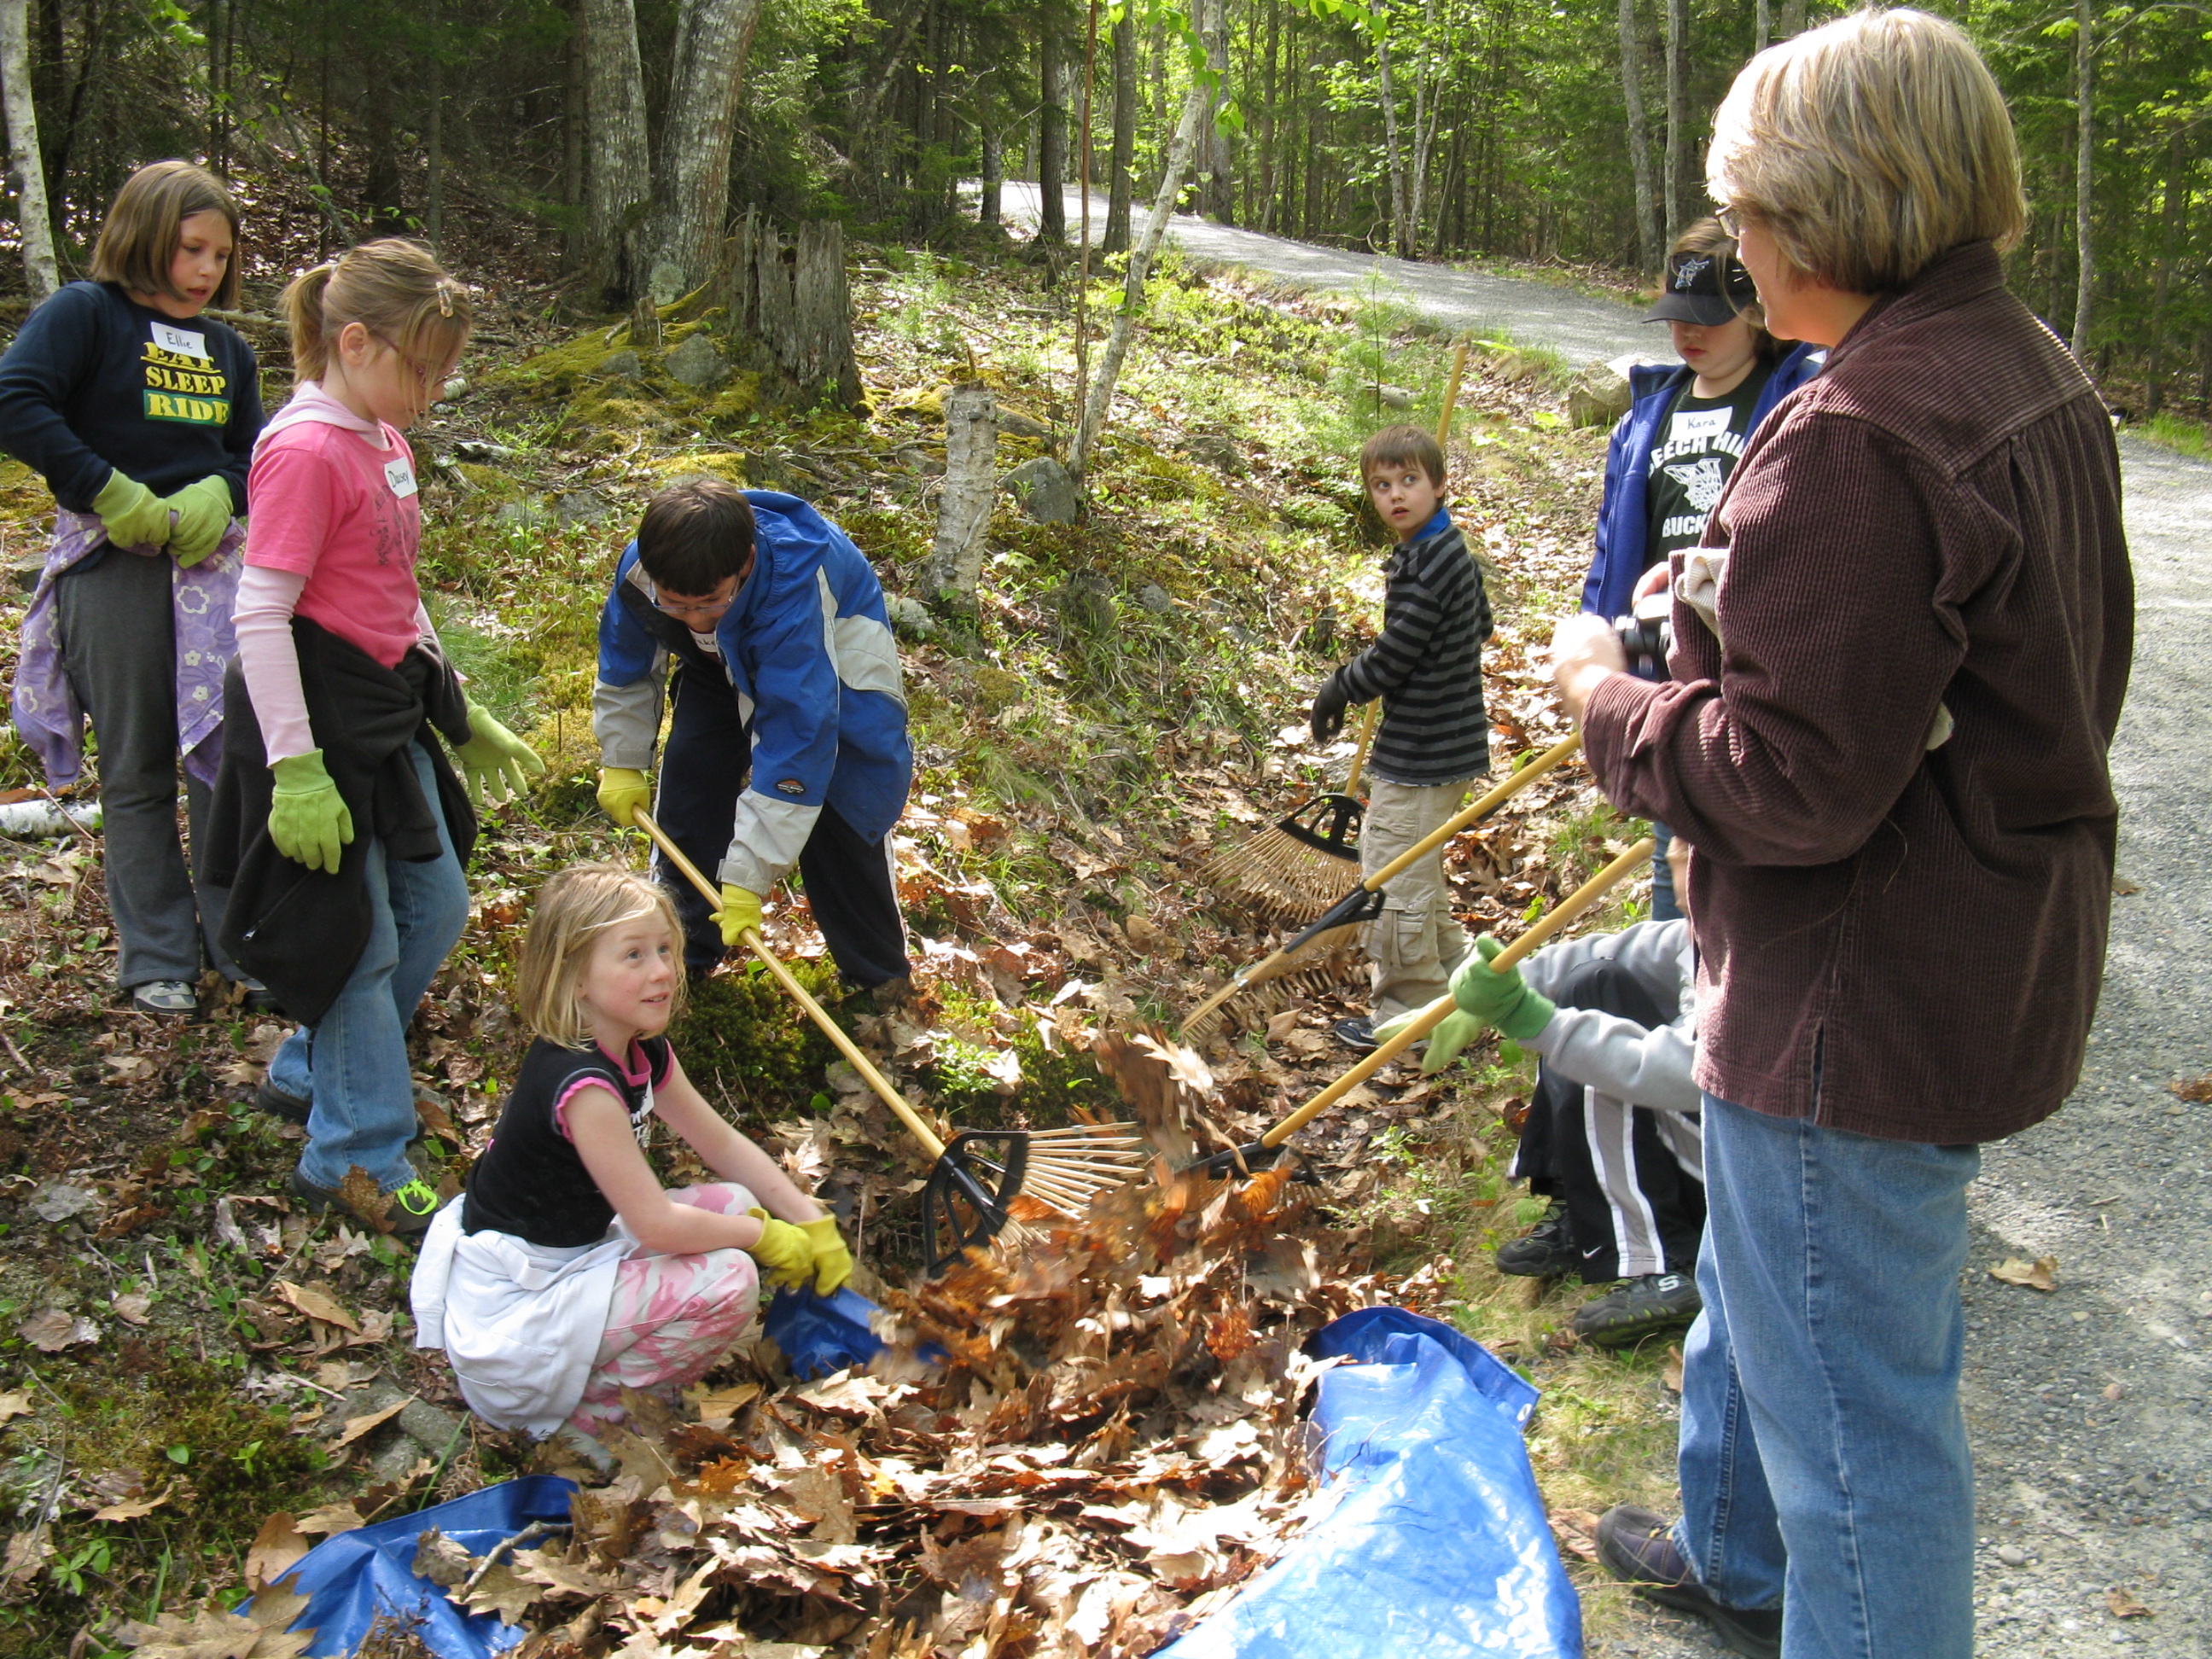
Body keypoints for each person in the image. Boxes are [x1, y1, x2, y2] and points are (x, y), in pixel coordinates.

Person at [1548, 12, 2133, 1658]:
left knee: (1861, 1421)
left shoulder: (1867, 426)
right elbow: (1953, 653)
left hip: (1855, 1006)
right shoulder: (2019, 367)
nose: (1729, 254)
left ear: (1832, 207)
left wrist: (1602, 691)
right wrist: (1721, 591)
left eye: (1743, 216)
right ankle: (1738, 1554)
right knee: (1764, 1281)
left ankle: (1824, 1591)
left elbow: (1787, 780)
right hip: (1954, 951)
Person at [208, 239, 544, 1236]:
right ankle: (355, 1151)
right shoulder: (307, 449)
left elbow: (396, 593)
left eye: (445, 373)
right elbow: (261, 614)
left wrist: (459, 703)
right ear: (355, 344)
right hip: (317, 725)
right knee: (358, 940)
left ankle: (316, 1066)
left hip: (385, 712)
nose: (434, 392)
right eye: (422, 369)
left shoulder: (383, 441)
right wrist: (295, 769)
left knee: (434, 905)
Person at [410, 863, 851, 1467]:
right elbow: (656, 1226)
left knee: (733, 1203)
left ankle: (614, 1381)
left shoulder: (639, 1051)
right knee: (731, 1280)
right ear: (576, 977)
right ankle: (587, 1417)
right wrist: (767, 1237)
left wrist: (807, 1217)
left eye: (666, 949)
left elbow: (718, 1141)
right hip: (520, 1311)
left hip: (578, 1260)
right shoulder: (582, 1086)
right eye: (634, 955)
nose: (664, 971)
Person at [0, 160, 264, 1016]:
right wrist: (106, 488)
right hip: (110, 568)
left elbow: (255, 457)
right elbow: (16, 399)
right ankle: (158, 957)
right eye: (190, 249)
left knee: (224, 765)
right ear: (145, 237)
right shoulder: (86, 314)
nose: (205, 271)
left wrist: (219, 495)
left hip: (214, 575)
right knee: (137, 765)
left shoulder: (230, 350)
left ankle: (242, 945)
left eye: (220, 257)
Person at [1583, 218, 1826, 921]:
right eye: (1676, 318)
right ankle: (1682, 992)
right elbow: (1613, 543)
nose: (1689, 335)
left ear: (1757, 314)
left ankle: (1719, 993)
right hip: (1668, 664)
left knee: (1734, 853)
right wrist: (1602, 643)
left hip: (1754, 662)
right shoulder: (1647, 418)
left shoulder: (1794, 403)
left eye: (1709, 319)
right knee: (1677, 849)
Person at [1382, 839, 1705, 1348]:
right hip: (1706, 1141)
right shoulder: (1699, 933)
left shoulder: (1756, 956)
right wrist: (1485, 990)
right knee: (1592, 981)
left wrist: (1539, 1023)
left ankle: (1668, 1261)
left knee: (1588, 1023)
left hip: (1740, 1167)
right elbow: (1605, 952)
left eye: (1686, 843)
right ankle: (1584, 1209)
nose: (1670, 853)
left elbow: (1686, 1074)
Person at [593, 478, 912, 992]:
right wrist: (622, 759)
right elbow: (626, 666)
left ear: (744, 563)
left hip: (834, 674)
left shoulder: (794, 591)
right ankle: (687, 955)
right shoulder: (642, 569)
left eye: (708, 602)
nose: (694, 618)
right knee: (691, 789)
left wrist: (747, 878)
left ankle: (878, 980)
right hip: (716, 667)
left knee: (844, 812)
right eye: (675, 604)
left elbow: (797, 742)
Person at [1309, 423, 1493, 1051]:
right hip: (1444, 743)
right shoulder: (1445, 549)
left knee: (1395, 882)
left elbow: (1392, 661)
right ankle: (1470, 980)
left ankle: (1411, 1021)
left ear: (1439, 485)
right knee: (1419, 875)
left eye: (1410, 481)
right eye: (1382, 485)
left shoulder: (1428, 565)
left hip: (1423, 753)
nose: (1395, 496)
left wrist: (1338, 687)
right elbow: (1483, 623)